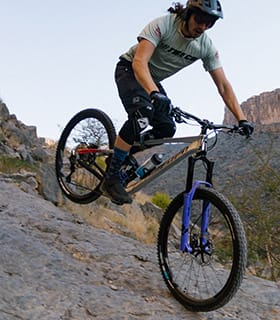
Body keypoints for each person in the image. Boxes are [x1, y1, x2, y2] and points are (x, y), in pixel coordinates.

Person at [103, 0, 254, 205]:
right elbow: (139, 62)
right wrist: (154, 93)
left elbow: (223, 86)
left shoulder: (205, 46)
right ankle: (111, 178)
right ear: (188, 13)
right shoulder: (163, 25)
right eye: (200, 19)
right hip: (131, 69)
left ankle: (122, 154)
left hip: (153, 81)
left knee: (166, 127)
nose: (203, 26)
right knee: (142, 114)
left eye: (209, 23)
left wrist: (241, 119)